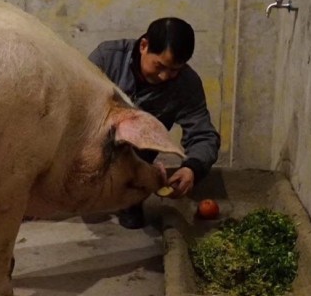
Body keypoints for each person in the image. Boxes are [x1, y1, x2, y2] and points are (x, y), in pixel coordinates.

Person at [89, 17, 220, 229]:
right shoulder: (106, 58)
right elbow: (79, 109)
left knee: (133, 223)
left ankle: (130, 198)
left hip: (136, 159)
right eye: (159, 66)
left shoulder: (187, 84)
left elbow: (203, 134)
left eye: (175, 70)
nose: (165, 76)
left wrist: (192, 169)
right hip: (94, 145)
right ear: (143, 46)